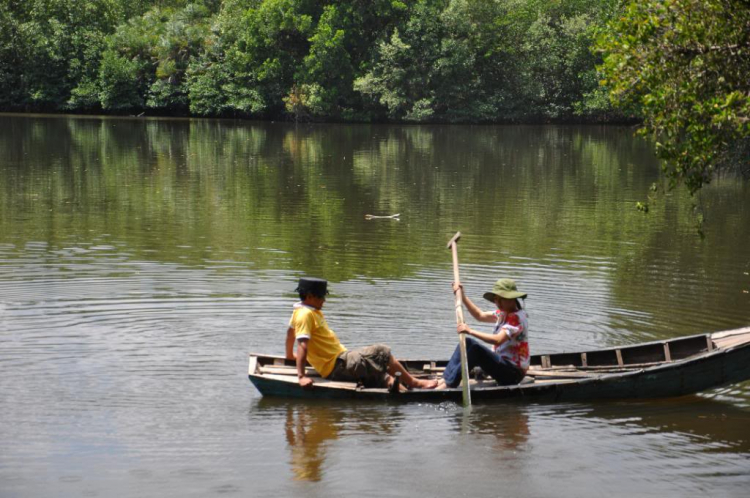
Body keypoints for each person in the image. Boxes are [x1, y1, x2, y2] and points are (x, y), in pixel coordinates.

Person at [286, 277, 438, 390]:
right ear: (309, 296)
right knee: (382, 352)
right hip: (337, 364)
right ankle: (415, 383)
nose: (324, 300)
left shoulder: (302, 312)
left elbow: (290, 334)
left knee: (383, 377)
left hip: (340, 361)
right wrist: (301, 376)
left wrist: (289, 356)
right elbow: (302, 344)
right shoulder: (305, 315)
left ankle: (399, 388)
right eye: (321, 297)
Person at [437, 278, 529, 389]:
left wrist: (470, 331)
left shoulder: (517, 317)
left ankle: (449, 384)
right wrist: (462, 296)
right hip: (502, 365)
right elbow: (479, 315)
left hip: (513, 373)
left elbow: (497, 340)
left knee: (475, 349)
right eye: (496, 299)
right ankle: (445, 379)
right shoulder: (503, 313)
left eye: (502, 299)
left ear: (512, 299)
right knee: (467, 342)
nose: (498, 303)